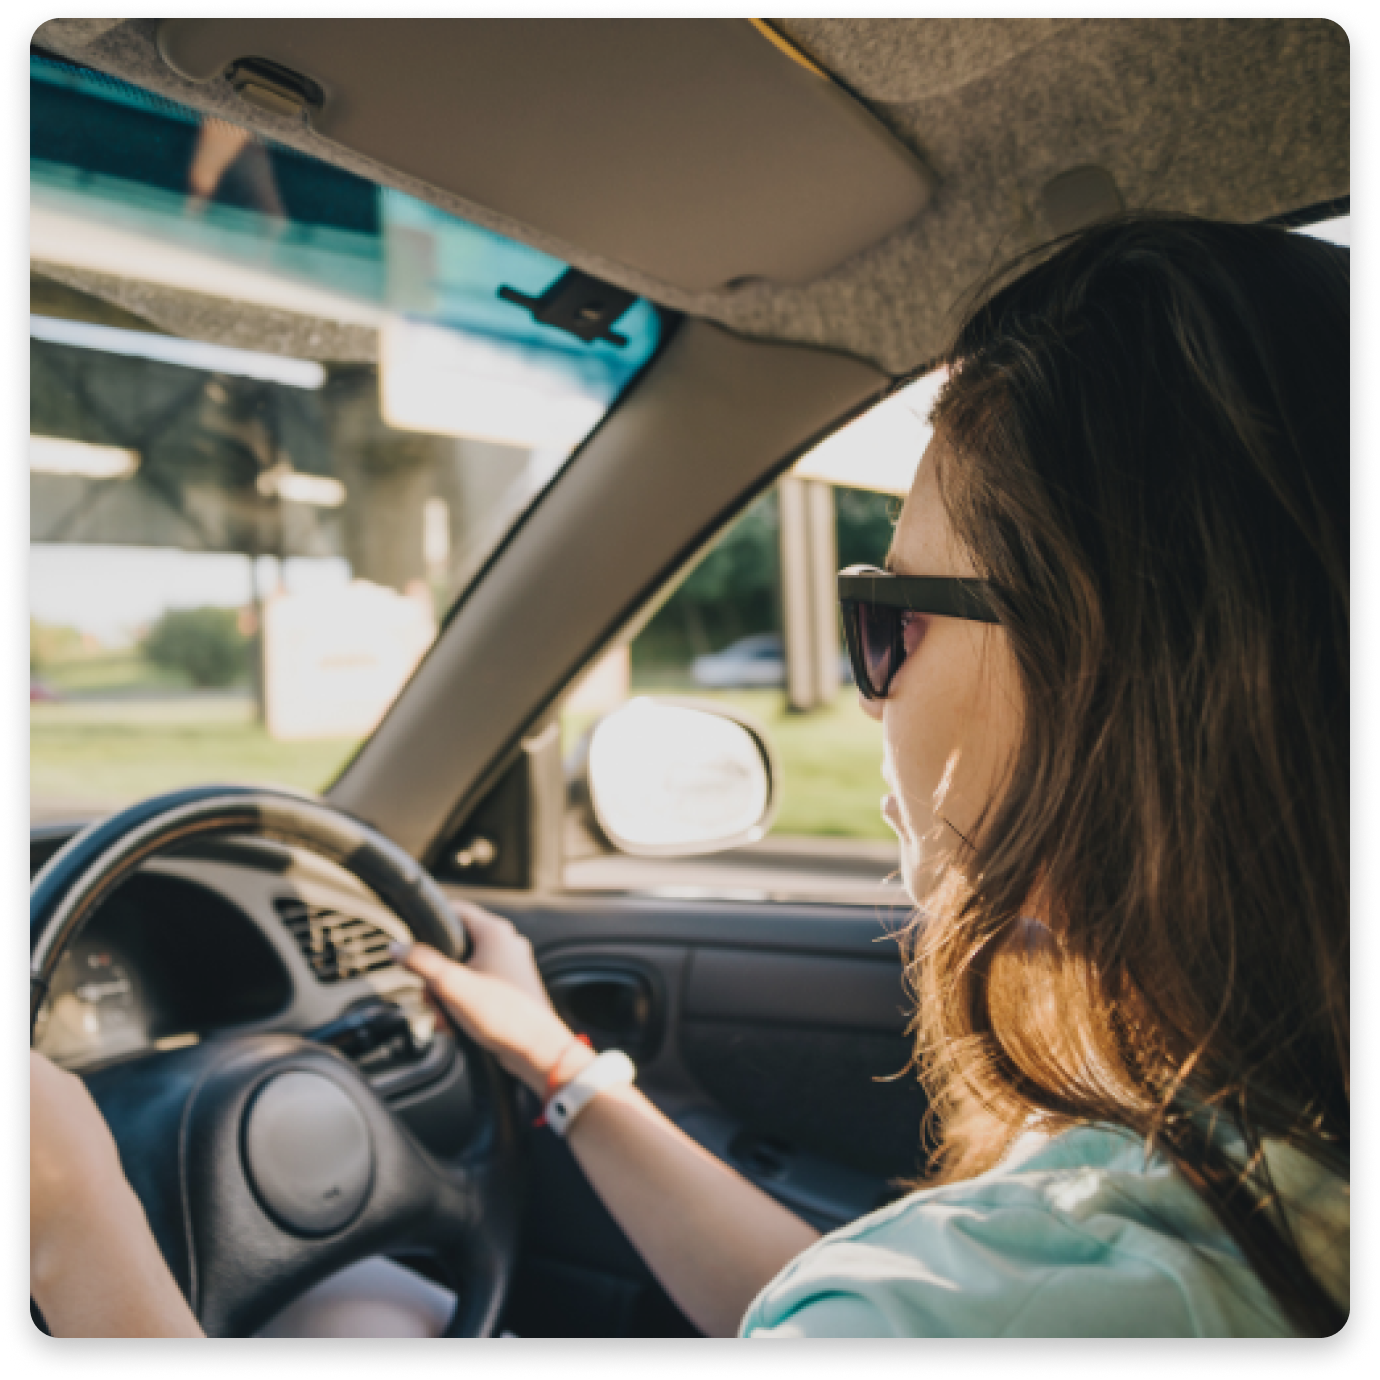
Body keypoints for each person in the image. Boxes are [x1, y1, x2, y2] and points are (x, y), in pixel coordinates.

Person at [29, 216, 1350, 1338]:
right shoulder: (1234, 1159)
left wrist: (73, 1221)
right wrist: (560, 1066)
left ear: (1111, 674)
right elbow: (821, 1303)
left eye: (889, 615)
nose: (866, 688)